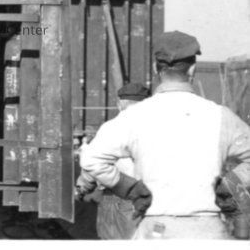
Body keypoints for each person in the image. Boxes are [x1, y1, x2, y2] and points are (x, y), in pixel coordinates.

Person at [80, 31, 250, 239]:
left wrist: (130, 188)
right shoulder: (221, 116)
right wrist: (229, 185)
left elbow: (91, 159)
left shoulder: (133, 117)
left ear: (155, 68)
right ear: (193, 69)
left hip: (156, 229)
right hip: (207, 230)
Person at [76, 82, 151, 239]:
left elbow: (92, 165)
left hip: (119, 198)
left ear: (119, 104)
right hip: (153, 198)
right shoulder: (159, 127)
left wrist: (82, 189)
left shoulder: (113, 126)